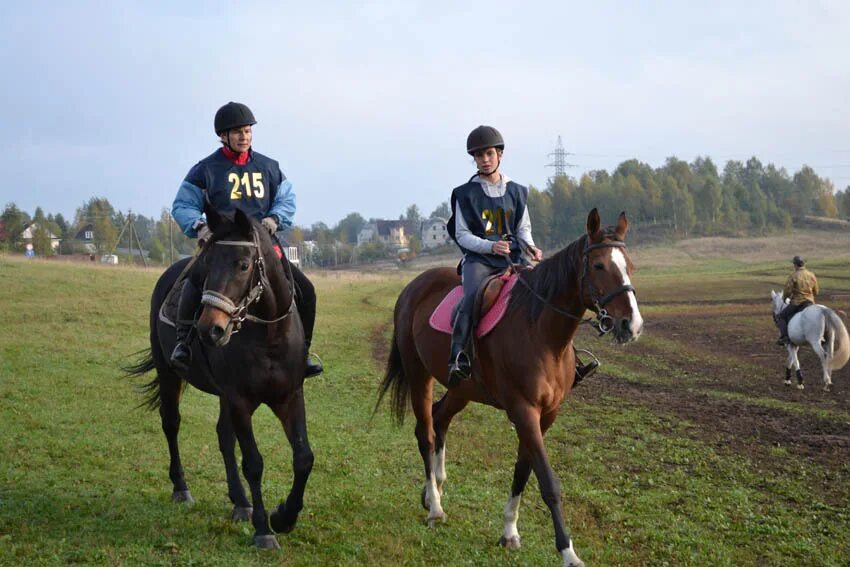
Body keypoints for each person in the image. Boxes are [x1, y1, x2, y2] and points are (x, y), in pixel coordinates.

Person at [170, 101, 323, 378]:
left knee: (306, 290)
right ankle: (184, 344)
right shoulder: (205, 169)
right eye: (238, 132)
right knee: (191, 282)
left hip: (263, 248)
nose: (245, 136)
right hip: (221, 249)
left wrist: (275, 219)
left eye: (248, 131)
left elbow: (287, 198)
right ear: (223, 136)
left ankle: (303, 352)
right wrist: (200, 227)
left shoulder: (269, 167)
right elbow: (183, 204)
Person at [445, 125, 598, 386]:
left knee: (548, 296)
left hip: (514, 258)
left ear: (500, 155)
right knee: (473, 297)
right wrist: (489, 246)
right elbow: (462, 234)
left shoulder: (516, 191)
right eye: (479, 155)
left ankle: (573, 360)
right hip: (479, 261)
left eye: (489, 154)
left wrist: (530, 247)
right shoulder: (464, 194)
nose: (484, 159)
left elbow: (522, 229)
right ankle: (459, 356)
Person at [776, 255, 819, 345]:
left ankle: (785, 337)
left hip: (797, 302)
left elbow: (787, 290)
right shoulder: (811, 275)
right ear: (803, 264)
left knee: (780, 316)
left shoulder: (793, 275)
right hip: (810, 302)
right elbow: (816, 291)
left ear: (795, 265)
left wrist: (785, 298)